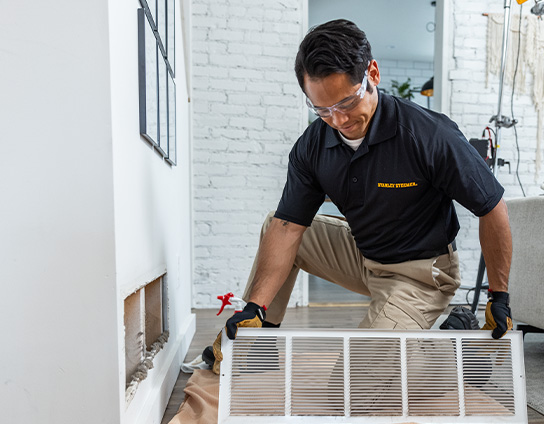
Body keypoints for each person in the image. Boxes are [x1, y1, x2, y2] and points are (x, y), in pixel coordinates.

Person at [204, 19, 513, 373]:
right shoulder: (313, 146)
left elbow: (492, 207)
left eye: (347, 102)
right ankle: (259, 345)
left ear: (373, 74)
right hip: (364, 253)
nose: (338, 119)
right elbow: (289, 228)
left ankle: (454, 356)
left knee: (351, 391)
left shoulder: (428, 135)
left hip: (420, 273)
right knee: (274, 225)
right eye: (322, 109)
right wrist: (254, 307)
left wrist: (498, 296)